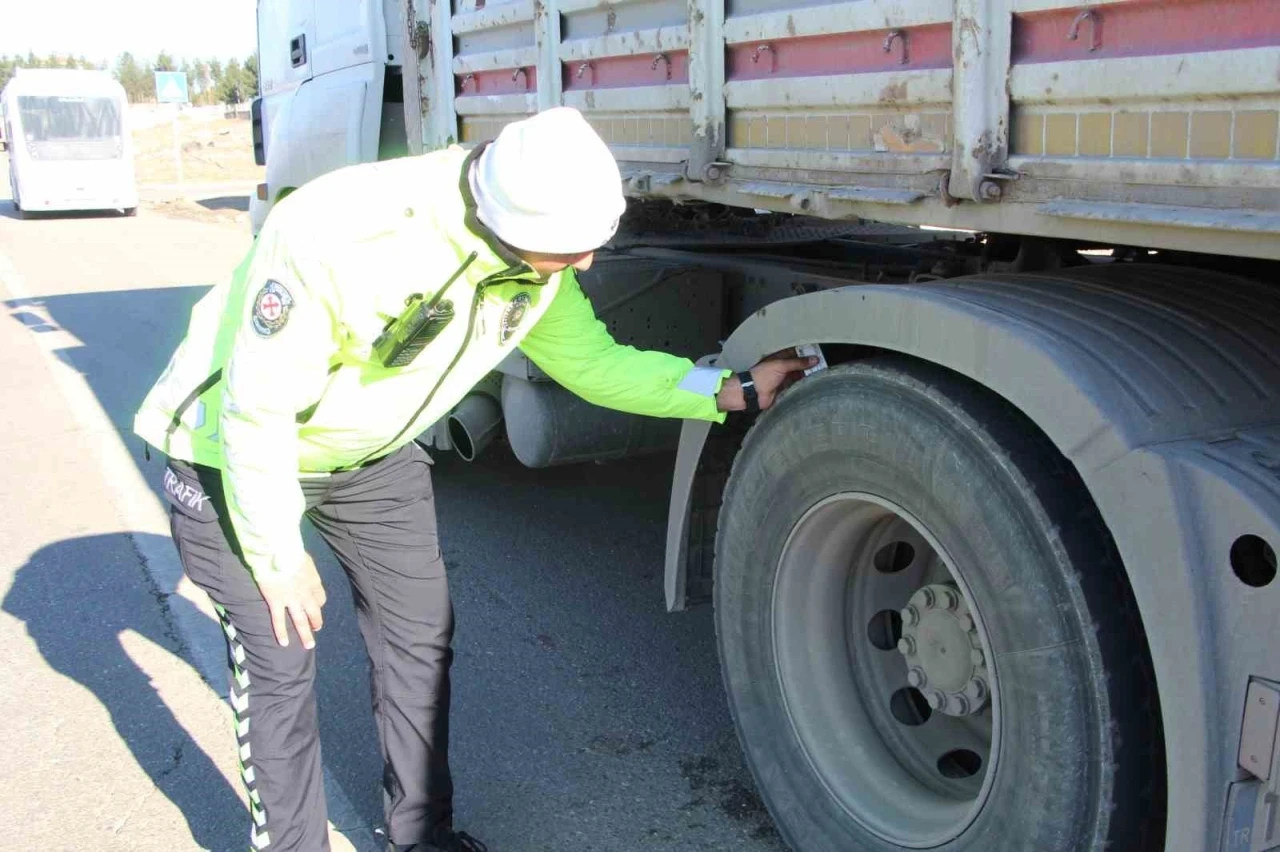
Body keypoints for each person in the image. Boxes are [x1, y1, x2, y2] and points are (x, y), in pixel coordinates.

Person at [134, 107, 812, 852]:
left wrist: (726, 390)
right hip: (230, 454)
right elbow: (255, 404)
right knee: (279, 658)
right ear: (504, 219)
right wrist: (275, 554)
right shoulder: (337, 231)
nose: (585, 265)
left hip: (369, 454)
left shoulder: (535, 257)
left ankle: (419, 834)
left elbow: (592, 363)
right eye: (569, 249)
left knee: (420, 635)